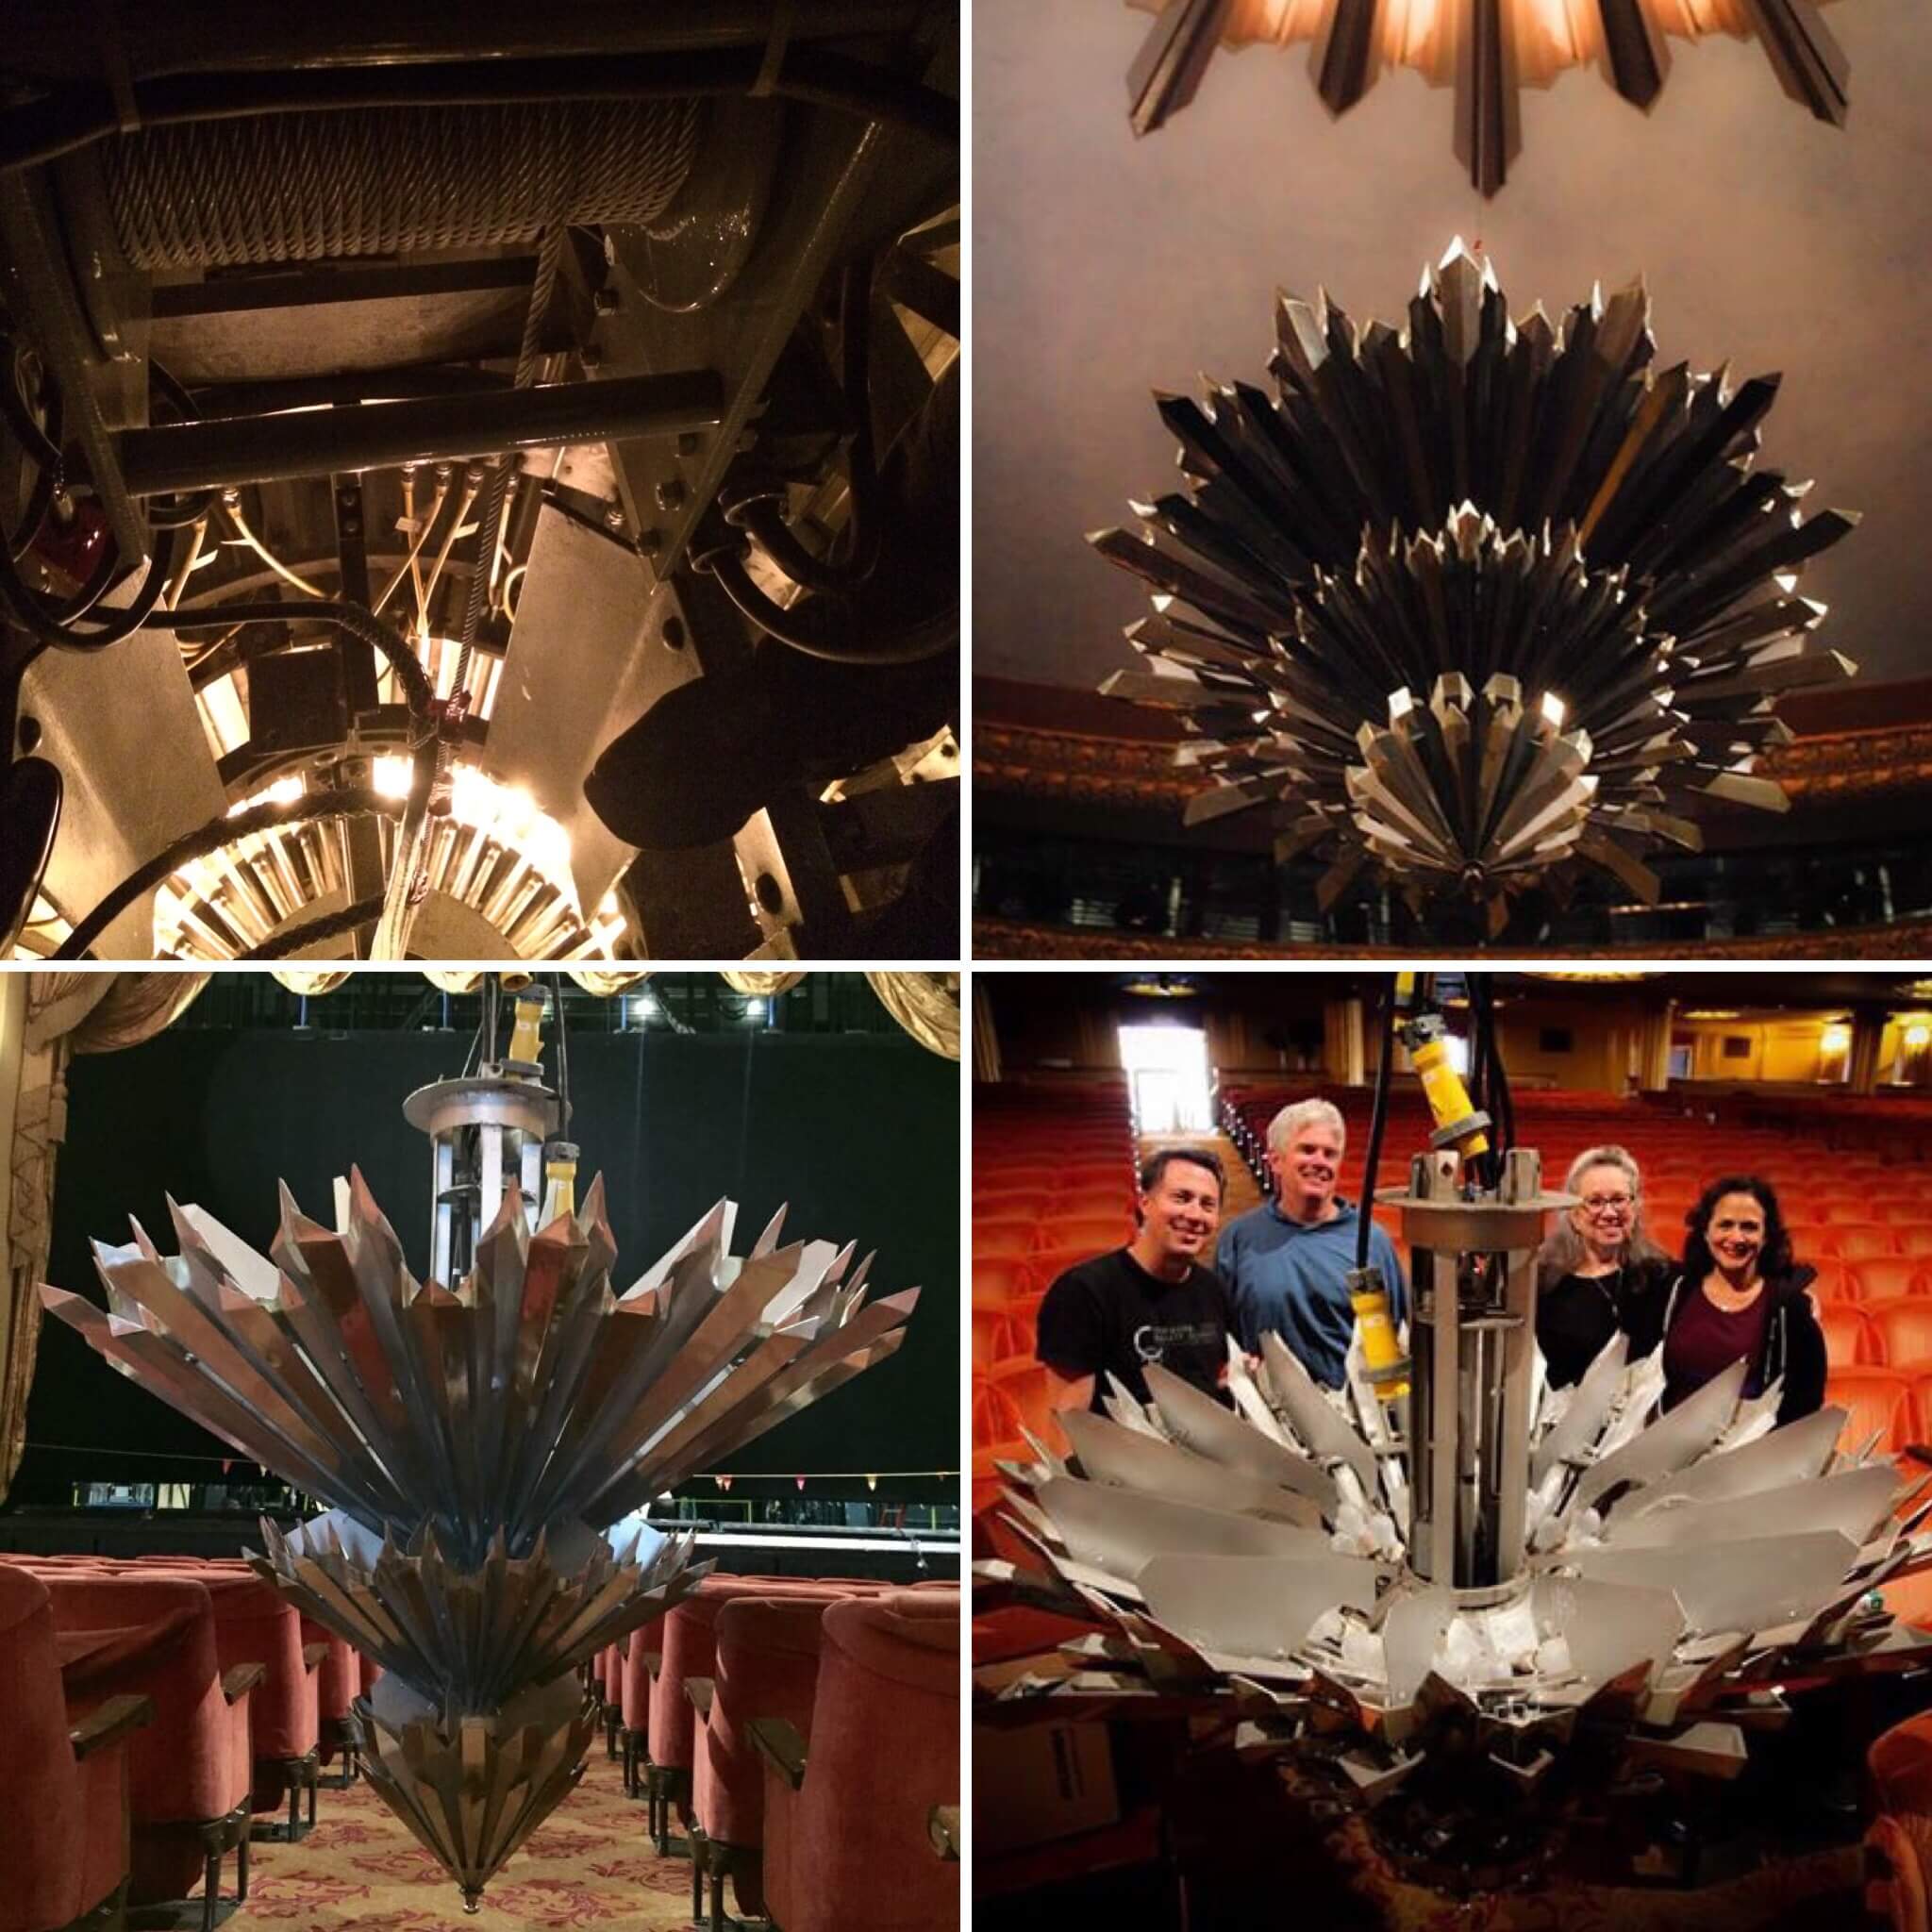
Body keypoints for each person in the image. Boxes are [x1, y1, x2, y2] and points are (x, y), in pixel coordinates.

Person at [1035, 1146, 1234, 1424]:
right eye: (1181, 1197)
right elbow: (1071, 1425)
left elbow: (1217, 1378)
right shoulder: (1082, 1291)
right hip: (1123, 1462)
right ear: (1145, 1203)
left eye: (1207, 1204)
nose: (1194, 1214)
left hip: (1208, 1457)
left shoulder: (1213, 1288)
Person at [1215, 1098, 1405, 1390]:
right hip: (1269, 1413)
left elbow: (1394, 1336)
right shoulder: (1239, 1238)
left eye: (1330, 1154)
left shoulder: (1372, 1241)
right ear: (1275, 1160)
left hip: (1357, 1415)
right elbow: (1222, 1335)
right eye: (1307, 1150)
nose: (1319, 1162)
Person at [1653, 1174, 1825, 1425]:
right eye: (1725, 1225)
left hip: (1750, 1454)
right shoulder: (1674, 1289)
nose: (1736, 1238)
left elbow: (1806, 1402)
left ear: (1766, 1237)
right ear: (1705, 1231)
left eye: (1749, 1227)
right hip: (1667, 1445)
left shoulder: (1790, 1307)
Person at [1533, 1145, 1673, 1388]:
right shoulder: (1542, 1283)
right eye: (1595, 1202)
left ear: (1635, 1207)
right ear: (1574, 1215)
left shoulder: (1663, 1277)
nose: (1609, 1213)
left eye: (1619, 1200)